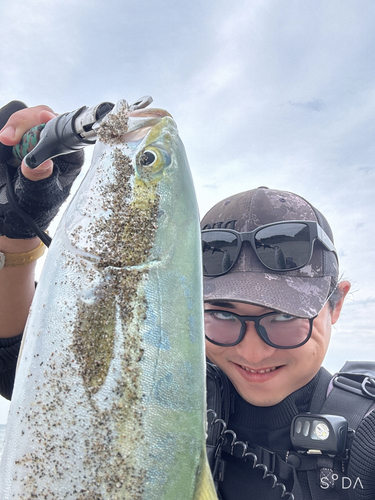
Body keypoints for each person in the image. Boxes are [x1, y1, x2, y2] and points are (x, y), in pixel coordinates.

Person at [0, 102, 374, 500]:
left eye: (284, 318)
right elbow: (19, 364)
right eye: (222, 316)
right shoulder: (163, 381)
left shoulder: (366, 435)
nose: (253, 350)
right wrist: (21, 223)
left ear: (335, 305)